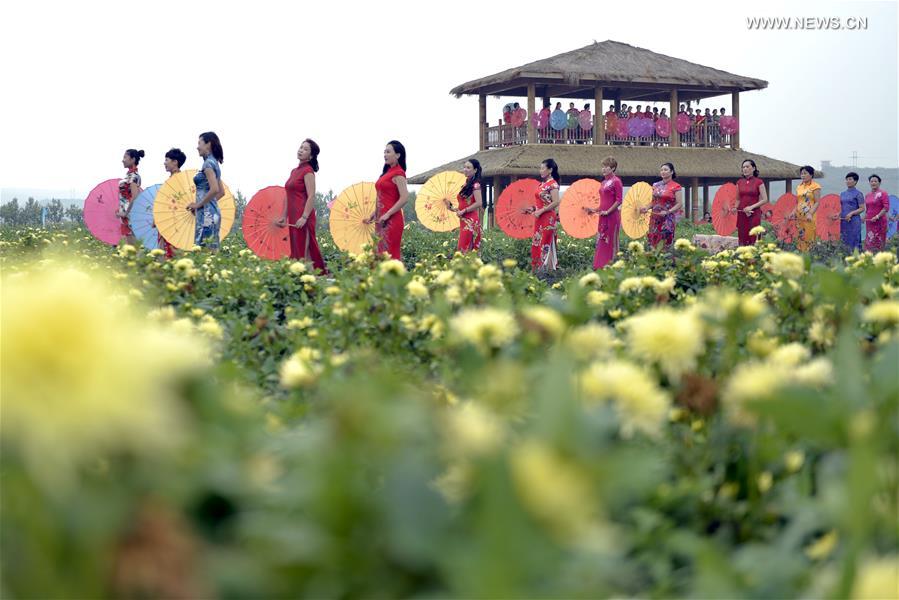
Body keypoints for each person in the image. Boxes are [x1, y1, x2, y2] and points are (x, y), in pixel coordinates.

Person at [279, 139, 327, 272]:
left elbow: (312, 195)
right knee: (296, 250)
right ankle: (302, 280)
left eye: (305, 149)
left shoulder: (308, 171)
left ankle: (311, 282)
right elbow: (288, 195)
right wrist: (284, 216)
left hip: (303, 216)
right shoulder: (294, 171)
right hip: (293, 217)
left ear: (311, 156)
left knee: (304, 252)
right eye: (301, 147)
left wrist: (305, 217)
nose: (301, 150)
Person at [365, 140, 409, 260]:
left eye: (388, 152)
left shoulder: (399, 173)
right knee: (379, 255)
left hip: (392, 220)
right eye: (384, 152)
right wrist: (373, 215)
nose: (385, 154)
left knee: (389, 256)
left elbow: (405, 197)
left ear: (398, 155)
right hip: (381, 220)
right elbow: (383, 198)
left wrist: (388, 214)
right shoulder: (386, 173)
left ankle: (396, 278)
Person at [186, 132, 224, 250]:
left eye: (199, 143)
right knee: (210, 251)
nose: (197, 147)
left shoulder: (208, 164)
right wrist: (201, 205)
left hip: (206, 214)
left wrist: (198, 205)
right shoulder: (214, 163)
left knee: (202, 250)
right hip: (211, 212)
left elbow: (215, 189)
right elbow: (221, 192)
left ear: (208, 144)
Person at [524, 158, 561, 271]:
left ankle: (548, 271)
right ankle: (537, 270)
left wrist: (541, 211)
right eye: (540, 168)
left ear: (550, 170)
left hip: (548, 218)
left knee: (546, 244)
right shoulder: (542, 185)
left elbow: (556, 202)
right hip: (539, 218)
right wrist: (532, 209)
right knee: (537, 243)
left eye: (542, 168)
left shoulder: (553, 184)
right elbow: (541, 203)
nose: (540, 171)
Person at [585, 156, 623, 269]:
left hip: (612, 216)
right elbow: (603, 202)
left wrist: (608, 211)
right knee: (601, 240)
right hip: (603, 215)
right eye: (603, 167)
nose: (604, 169)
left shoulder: (616, 181)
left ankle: (613, 265)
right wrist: (594, 210)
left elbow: (619, 200)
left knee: (610, 240)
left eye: (606, 167)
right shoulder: (603, 182)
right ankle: (599, 265)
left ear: (613, 168)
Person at [644, 162, 684, 249]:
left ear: (672, 172)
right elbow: (653, 202)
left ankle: (666, 261)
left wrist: (667, 212)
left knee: (665, 242)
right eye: (661, 170)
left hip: (668, 218)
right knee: (653, 241)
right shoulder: (656, 185)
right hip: (655, 217)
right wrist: (646, 208)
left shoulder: (676, 186)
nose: (663, 172)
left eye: (665, 170)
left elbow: (679, 204)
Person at [448, 159, 483, 253]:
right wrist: (450, 207)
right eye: (464, 167)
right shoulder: (465, 184)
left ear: (475, 170)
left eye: (468, 167)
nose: (465, 169)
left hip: (471, 222)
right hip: (463, 221)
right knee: (463, 250)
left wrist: (464, 211)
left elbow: (479, 203)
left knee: (465, 251)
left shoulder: (476, 185)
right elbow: (462, 205)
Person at [158, 148, 186, 258]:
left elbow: (177, 202)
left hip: (174, 221)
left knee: (172, 252)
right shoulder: (172, 179)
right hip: (167, 220)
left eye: (166, 160)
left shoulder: (179, 179)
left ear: (175, 162)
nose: (164, 163)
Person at [735, 159, 768, 245]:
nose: (745, 169)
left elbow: (765, 199)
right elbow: (738, 199)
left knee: (753, 236)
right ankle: (743, 256)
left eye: (747, 167)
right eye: (743, 167)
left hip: (754, 213)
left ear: (753, 168)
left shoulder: (759, 182)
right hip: (742, 214)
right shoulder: (739, 182)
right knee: (742, 236)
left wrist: (751, 207)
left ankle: (754, 256)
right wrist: (735, 208)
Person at [116, 148, 144, 245]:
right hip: (126, 215)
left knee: (133, 249)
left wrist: (126, 213)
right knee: (128, 247)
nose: (122, 160)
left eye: (125, 157)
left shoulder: (134, 176)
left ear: (133, 160)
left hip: (130, 215)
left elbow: (135, 197)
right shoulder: (129, 176)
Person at [833, 172, 864, 252]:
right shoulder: (843, 194)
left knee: (854, 240)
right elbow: (842, 207)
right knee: (844, 239)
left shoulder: (858, 194)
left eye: (850, 179)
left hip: (854, 221)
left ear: (855, 181)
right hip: (844, 221)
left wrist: (851, 213)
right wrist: (838, 214)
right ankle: (845, 258)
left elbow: (862, 208)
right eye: (846, 179)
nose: (848, 181)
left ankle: (856, 258)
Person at [792, 165, 820, 251]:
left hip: (809, 216)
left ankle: (809, 256)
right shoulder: (799, 187)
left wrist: (810, 214)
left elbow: (817, 202)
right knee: (800, 236)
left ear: (811, 175)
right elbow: (798, 202)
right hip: (799, 216)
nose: (803, 175)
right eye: (801, 174)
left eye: (805, 173)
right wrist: (793, 212)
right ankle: (801, 255)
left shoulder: (815, 186)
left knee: (809, 236)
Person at [864, 174, 890, 252]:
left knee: (880, 241)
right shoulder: (867, 195)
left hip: (880, 221)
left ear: (879, 183)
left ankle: (881, 259)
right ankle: (870, 260)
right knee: (869, 241)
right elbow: (867, 209)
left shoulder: (883, 193)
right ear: (869, 183)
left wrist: (877, 216)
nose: (873, 183)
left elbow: (886, 207)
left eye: (875, 181)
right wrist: (864, 217)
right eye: (871, 181)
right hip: (870, 222)